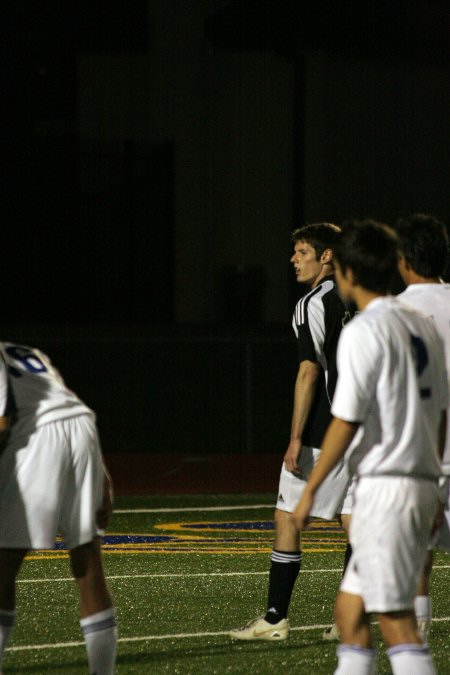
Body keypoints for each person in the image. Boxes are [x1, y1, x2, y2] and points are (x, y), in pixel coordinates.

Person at [292, 220, 448, 675]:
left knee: (397, 623)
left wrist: (309, 493)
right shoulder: (420, 324)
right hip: (419, 480)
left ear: (348, 271)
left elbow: (345, 422)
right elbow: (439, 413)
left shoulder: (366, 329)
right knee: (350, 613)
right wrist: (434, 481)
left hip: (386, 487)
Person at [229, 222, 353, 642]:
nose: (293, 259)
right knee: (357, 524)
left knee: (287, 518)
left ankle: (275, 617)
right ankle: (348, 616)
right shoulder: (363, 296)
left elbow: (308, 371)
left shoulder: (312, 302)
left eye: (302, 252)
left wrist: (296, 437)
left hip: (326, 430)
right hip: (370, 430)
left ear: (326, 256)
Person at [0, 342, 117, 674]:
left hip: (38, 440)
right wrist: (102, 475)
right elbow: (65, 407)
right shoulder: (26, 351)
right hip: (81, 430)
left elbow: (1, 424)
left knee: (4, 564)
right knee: (88, 565)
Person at [395, 213, 450, 643]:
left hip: (420, 448)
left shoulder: (396, 313)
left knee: (416, 556)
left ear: (404, 259)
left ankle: (419, 641)